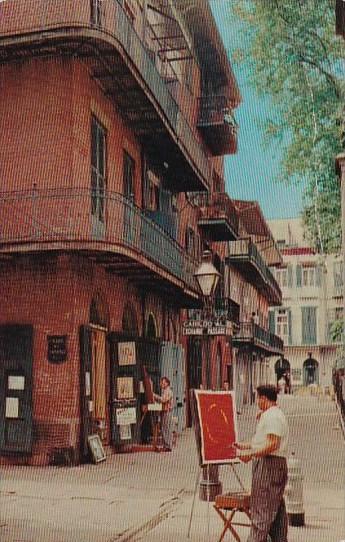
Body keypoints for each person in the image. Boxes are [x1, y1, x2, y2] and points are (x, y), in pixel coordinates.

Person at [234, 384, 289, 542]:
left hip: (269, 465)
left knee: (262, 509)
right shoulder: (271, 414)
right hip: (272, 464)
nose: (257, 401)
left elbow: (272, 444)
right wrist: (244, 446)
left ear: (264, 399)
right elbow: (263, 441)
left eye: (257, 398)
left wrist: (250, 454)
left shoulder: (273, 416)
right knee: (275, 509)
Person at [153, 376, 174, 451]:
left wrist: (154, 395)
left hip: (167, 411)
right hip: (165, 411)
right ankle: (166, 445)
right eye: (161, 382)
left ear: (167, 383)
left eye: (163, 382)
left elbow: (163, 400)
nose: (161, 384)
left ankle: (168, 446)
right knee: (164, 428)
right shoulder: (165, 391)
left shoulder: (168, 391)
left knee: (166, 428)